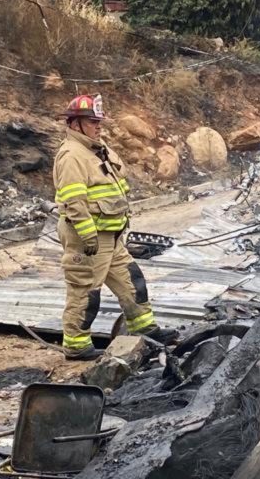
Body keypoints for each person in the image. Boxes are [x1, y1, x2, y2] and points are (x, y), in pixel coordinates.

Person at [52, 94, 178, 360]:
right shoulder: (71, 156)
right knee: (85, 292)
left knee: (132, 283)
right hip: (89, 240)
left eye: (99, 121)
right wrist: (88, 237)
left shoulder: (99, 149)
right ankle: (76, 345)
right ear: (75, 124)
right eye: (92, 121)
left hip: (111, 237)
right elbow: (74, 202)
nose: (98, 126)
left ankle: (146, 330)